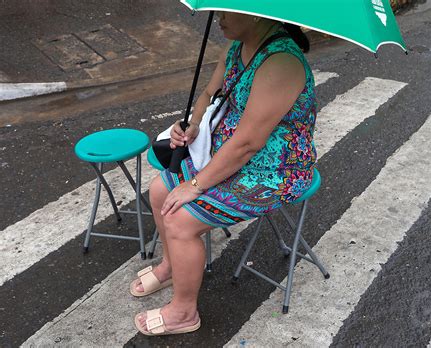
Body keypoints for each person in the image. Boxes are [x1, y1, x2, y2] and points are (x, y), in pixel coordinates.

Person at [132, 11, 318, 336]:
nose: (217, 16)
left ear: (256, 12)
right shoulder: (236, 46)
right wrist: (191, 126)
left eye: (225, 9)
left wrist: (195, 185)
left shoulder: (282, 63)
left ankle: (184, 312)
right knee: (160, 190)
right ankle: (171, 266)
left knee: (179, 219)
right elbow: (207, 96)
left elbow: (248, 143)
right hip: (225, 154)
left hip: (271, 171)